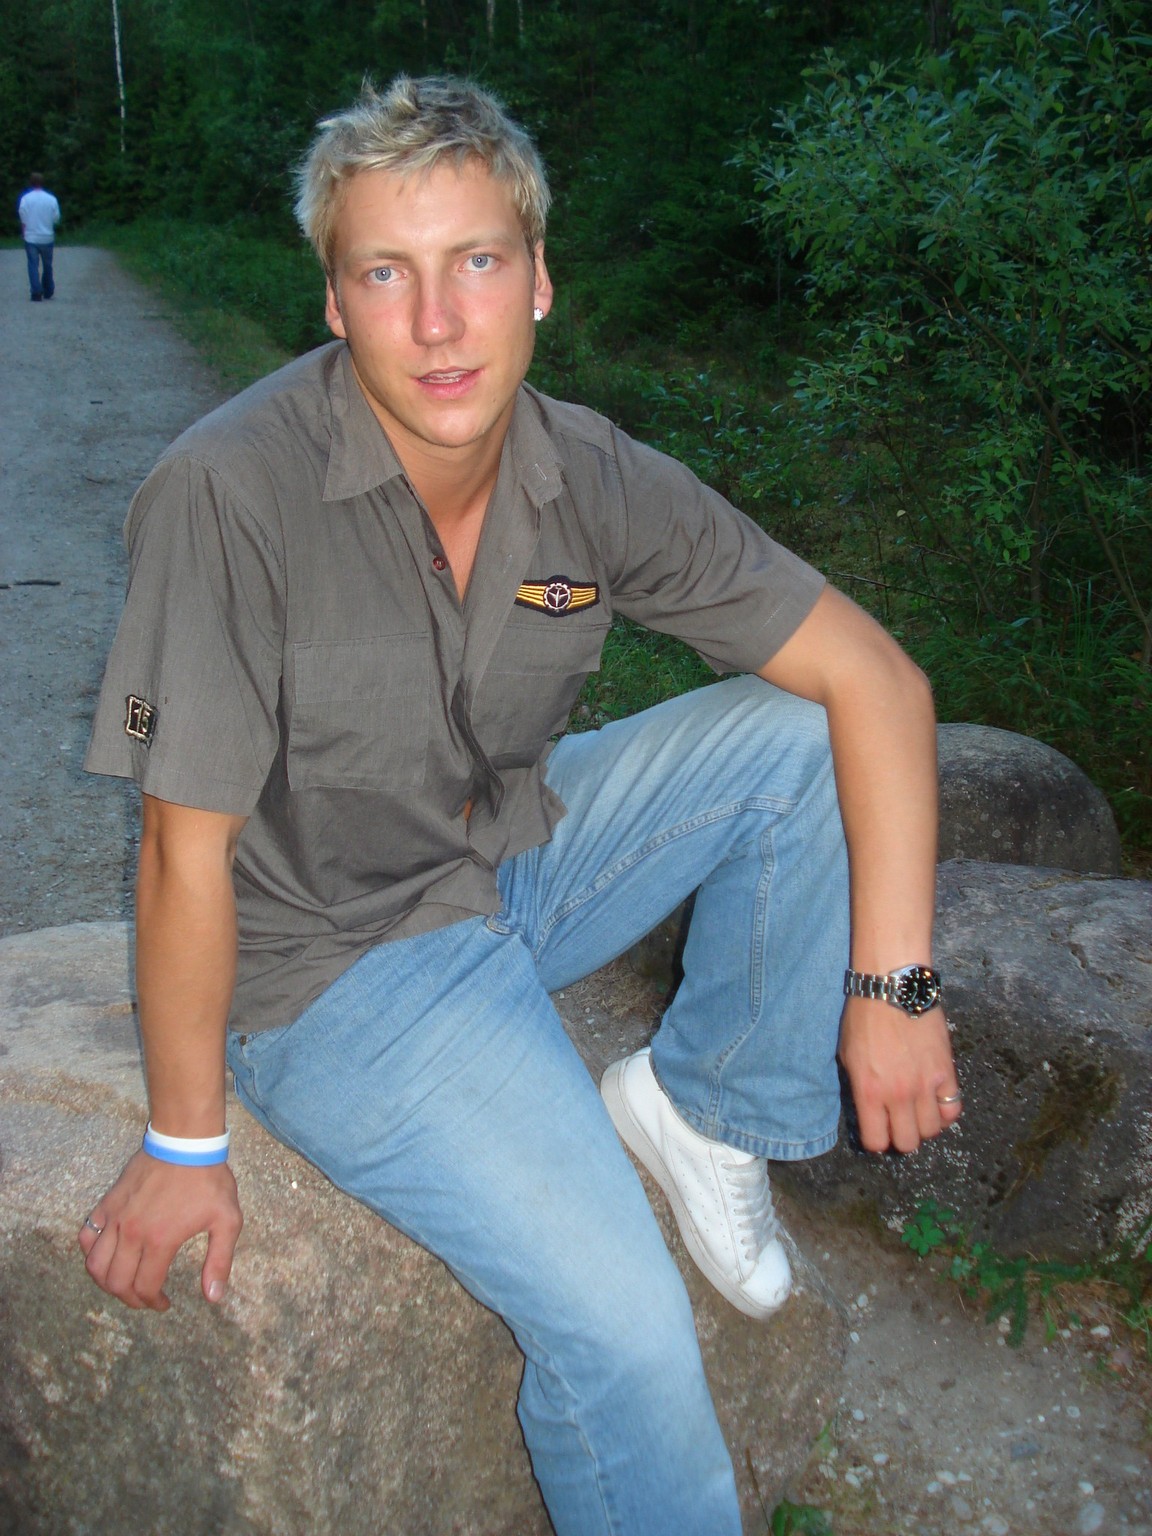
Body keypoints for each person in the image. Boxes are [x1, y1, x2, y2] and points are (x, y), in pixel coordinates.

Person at [80, 75, 961, 1536]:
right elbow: (180, 851)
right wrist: (186, 1142)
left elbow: (881, 680)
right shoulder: (227, 491)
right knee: (630, 1338)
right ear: (335, 302)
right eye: (388, 273)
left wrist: (894, 984)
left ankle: (704, 1109)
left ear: (539, 277)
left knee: (802, 730)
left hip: (515, 856)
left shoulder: (587, 472)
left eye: (476, 261)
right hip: (340, 968)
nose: (440, 322)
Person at [17, 174, 61, 302]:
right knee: (47, 265)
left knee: (33, 264)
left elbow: (23, 216)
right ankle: (48, 290)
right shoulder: (51, 199)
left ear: (30, 183)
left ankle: (36, 292)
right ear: (43, 182)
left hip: (31, 237)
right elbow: (56, 218)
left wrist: (24, 232)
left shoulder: (26, 199)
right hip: (47, 237)